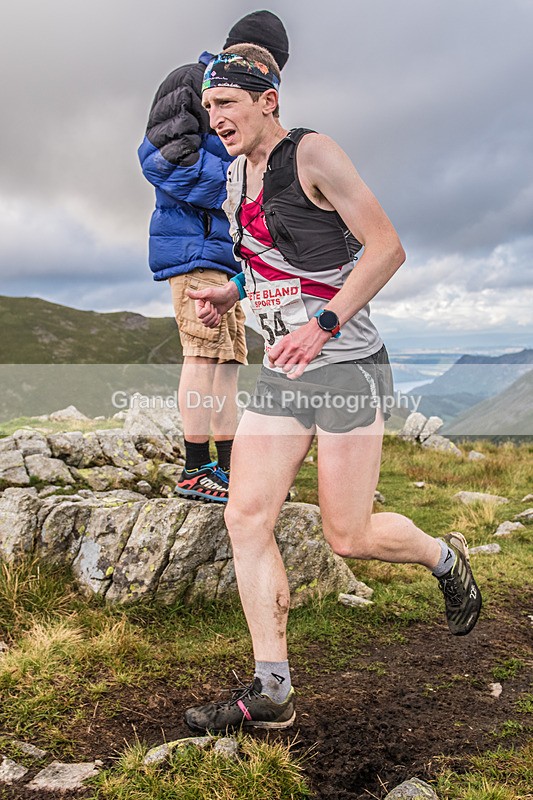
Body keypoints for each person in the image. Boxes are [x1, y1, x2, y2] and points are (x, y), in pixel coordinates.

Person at [183, 44, 483, 732]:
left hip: (344, 362)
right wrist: (229, 295)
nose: (216, 119)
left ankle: (442, 558)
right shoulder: (233, 179)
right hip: (284, 368)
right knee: (244, 516)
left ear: (268, 101)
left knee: (346, 535)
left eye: (226, 103)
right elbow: (264, 261)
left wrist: (322, 323)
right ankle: (271, 690)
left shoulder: (312, 153)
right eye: (208, 109)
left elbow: (385, 247)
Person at [138, 12, 290, 503]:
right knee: (202, 352)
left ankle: (225, 467)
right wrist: (235, 187)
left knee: (229, 359)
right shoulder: (189, 83)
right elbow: (162, 159)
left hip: (229, 257)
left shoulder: (244, 100)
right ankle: (193, 467)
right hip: (192, 244)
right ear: (236, 48)